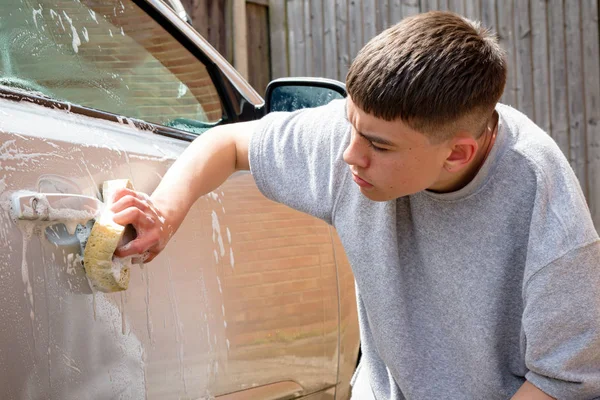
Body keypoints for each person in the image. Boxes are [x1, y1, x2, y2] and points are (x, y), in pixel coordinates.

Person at [109, 11, 600, 400]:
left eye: (379, 146)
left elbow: (562, 385)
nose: (349, 155)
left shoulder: (547, 214)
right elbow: (228, 145)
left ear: (457, 154)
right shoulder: (358, 138)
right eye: (350, 124)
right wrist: (163, 216)